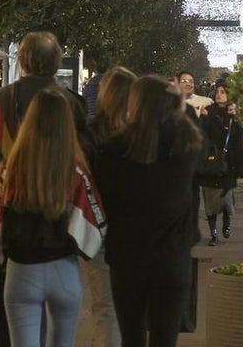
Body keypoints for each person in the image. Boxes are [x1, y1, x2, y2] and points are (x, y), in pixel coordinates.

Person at [0, 31, 89, 347]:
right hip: (60, 218)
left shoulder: (0, 102)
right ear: (57, 63)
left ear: (21, 60)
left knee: (5, 309)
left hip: (6, 216)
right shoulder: (71, 103)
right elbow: (87, 165)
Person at [92, 75, 203, 347]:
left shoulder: (115, 148)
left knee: (131, 337)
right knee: (165, 339)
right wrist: (179, 104)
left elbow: (104, 197)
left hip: (127, 258)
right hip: (172, 257)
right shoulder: (185, 145)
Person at [0, 89, 96, 347]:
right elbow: (91, 233)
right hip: (64, 271)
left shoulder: (9, 170)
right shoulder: (76, 171)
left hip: (22, 271)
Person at [84, 67, 135, 347]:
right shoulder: (145, 134)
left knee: (105, 306)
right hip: (137, 232)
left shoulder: (91, 133)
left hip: (98, 226)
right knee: (133, 306)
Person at [199, 81, 243, 246]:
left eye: (223, 92)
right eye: (218, 91)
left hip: (228, 165)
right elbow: (201, 135)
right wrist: (203, 118)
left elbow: (239, 141)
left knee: (226, 200)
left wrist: (241, 167)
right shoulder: (207, 112)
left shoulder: (234, 115)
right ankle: (213, 233)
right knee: (210, 201)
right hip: (210, 163)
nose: (219, 94)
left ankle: (226, 224)